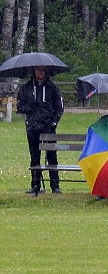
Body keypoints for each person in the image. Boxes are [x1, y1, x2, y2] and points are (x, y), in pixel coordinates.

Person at [18, 66, 65, 196]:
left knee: (52, 156)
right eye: (38, 70)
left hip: (48, 127)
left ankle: (55, 186)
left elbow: (60, 107)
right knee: (35, 157)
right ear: (34, 71)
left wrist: (54, 122)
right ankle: (35, 185)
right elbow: (20, 106)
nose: (40, 73)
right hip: (33, 127)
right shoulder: (26, 88)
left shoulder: (52, 88)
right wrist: (30, 108)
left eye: (42, 70)